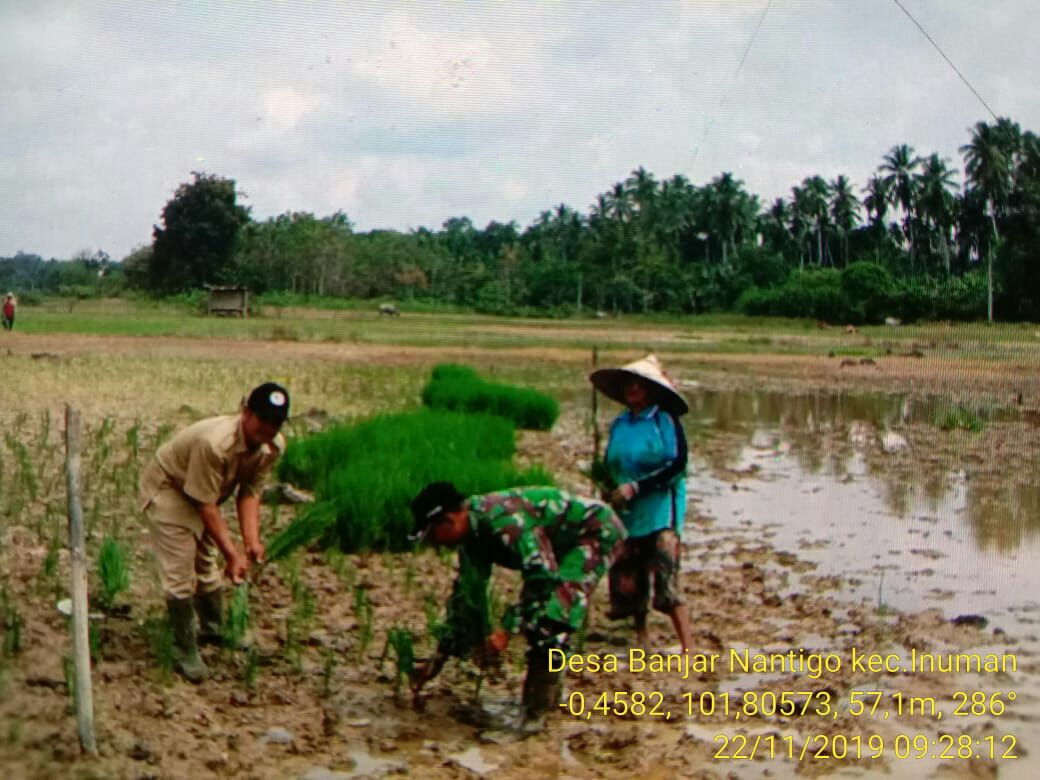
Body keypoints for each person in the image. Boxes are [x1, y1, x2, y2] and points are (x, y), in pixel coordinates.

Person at [408, 483, 626, 729]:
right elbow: (466, 599)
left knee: (552, 617)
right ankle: (543, 701)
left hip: (595, 531)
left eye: (433, 536)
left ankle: (536, 715)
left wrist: (507, 629)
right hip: (559, 542)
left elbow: (542, 580)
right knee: (540, 614)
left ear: (448, 521)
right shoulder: (472, 536)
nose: (436, 545)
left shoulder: (506, 523)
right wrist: (437, 660)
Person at [139, 382, 289, 682]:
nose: (268, 428)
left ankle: (213, 627)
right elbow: (204, 504)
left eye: (275, 422)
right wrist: (232, 555)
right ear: (245, 412)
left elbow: (250, 492)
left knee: (205, 560)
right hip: (171, 488)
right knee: (181, 568)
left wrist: (252, 541)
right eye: (262, 419)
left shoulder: (273, 446)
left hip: (206, 491)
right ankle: (186, 649)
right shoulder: (215, 443)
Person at [590, 354, 693, 652]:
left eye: (639, 385)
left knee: (665, 571)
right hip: (627, 511)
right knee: (629, 572)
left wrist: (636, 487)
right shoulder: (620, 424)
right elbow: (612, 464)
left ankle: (689, 647)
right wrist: (609, 490)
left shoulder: (664, 420)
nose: (632, 389)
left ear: (651, 390)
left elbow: (678, 464)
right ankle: (641, 637)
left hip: (661, 508)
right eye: (628, 384)